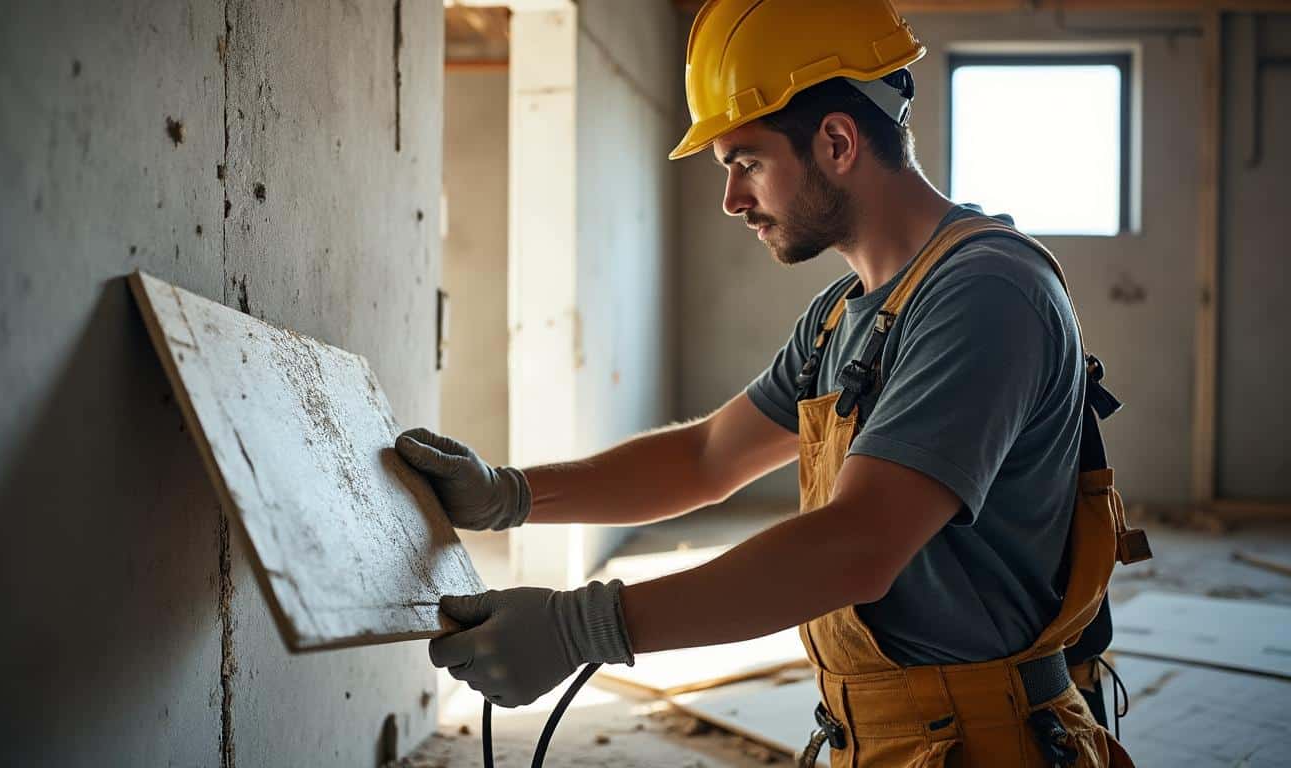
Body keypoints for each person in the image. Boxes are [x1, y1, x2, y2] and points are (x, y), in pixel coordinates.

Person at [397, 1, 1148, 764]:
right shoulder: (841, 316)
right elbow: (705, 458)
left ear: (837, 141)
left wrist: (581, 627)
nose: (733, 200)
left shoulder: (986, 292)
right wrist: (507, 495)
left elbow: (857, 544)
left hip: (987, 742)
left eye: (746, 163)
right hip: (893, 737)